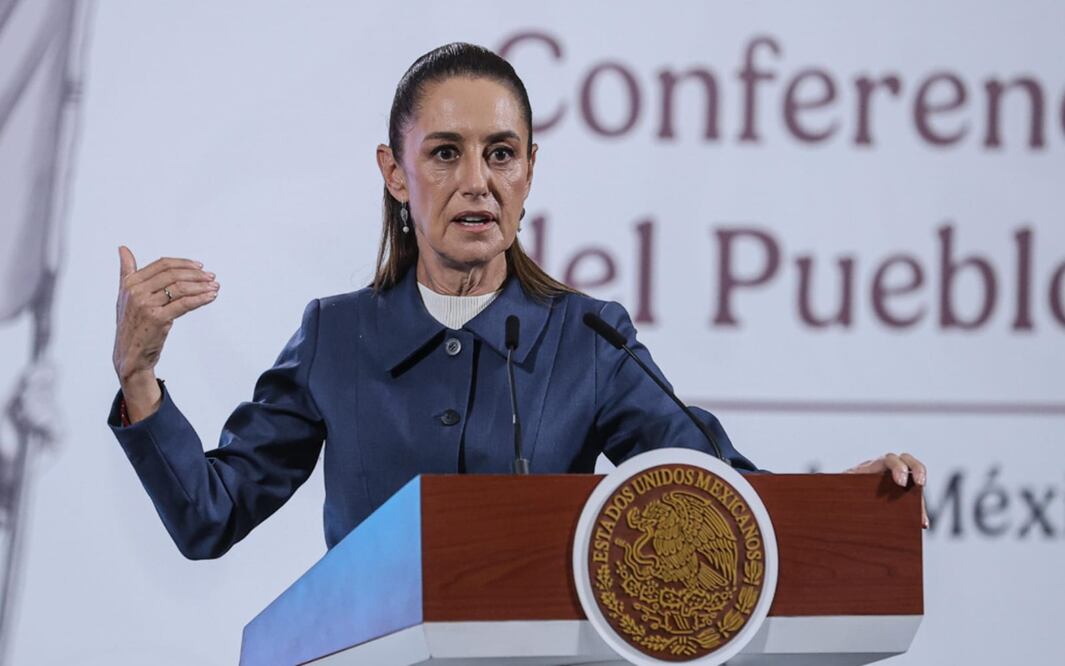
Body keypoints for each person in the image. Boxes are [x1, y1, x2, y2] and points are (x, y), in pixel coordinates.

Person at [109, 43, 927, 560]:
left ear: (529, 169)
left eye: (500, 154)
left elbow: (714, 493)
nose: (476, 181)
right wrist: (139, 376)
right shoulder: (337, 334)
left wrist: (841, 504)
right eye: (444, 153)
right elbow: (210, 517)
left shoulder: (588, 338)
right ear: (396, 174)